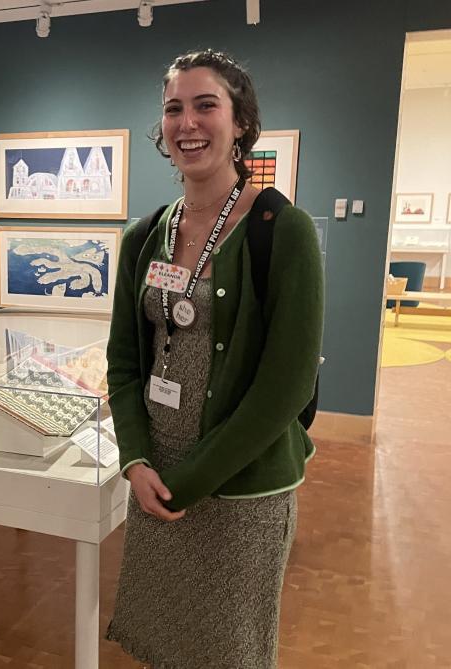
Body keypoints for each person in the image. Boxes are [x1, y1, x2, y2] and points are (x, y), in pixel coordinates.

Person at [105, 50, 323, 668]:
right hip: (156, 473)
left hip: (239, 485)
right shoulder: (145, 236)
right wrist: (137, 461)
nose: (187, 123)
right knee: (163, 640)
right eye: (174, 108)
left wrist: (189, 482)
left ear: (240, 124)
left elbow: (285, 387)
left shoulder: (284, 230)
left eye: (206, 105)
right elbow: (123, 362)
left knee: (228, 649)